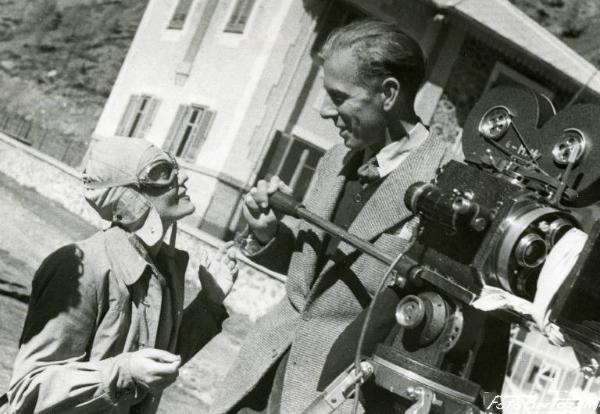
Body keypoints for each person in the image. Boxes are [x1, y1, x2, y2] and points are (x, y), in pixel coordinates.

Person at [210, 20, 466, 414]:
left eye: (338, 95)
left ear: (388, 94)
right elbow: (314, 282)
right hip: (261, 376)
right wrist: (266, 235)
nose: (323, 109)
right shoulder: (335, 160)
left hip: (340, 396)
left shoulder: (446, 186)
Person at [7, 137, 238, 414]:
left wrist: (210, 301)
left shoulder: (163, 270)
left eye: (174, 167)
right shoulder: (78, 267)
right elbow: (26, 390)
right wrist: (124, 372)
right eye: (161, 173)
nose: (183, 177)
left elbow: (156, 365)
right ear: (129, 196)